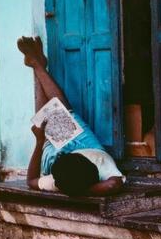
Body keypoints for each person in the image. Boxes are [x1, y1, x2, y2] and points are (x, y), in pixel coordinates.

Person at [18, 36, 125, 196]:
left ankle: (37, 64)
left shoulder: (59, 180)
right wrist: (81, 190)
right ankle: (37, 64)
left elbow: (30, 181)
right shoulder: (103, 168)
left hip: (58, 159)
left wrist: (40, 141)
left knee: (46, 121)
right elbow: (111, 186)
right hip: (90, 150)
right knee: (63, 111)